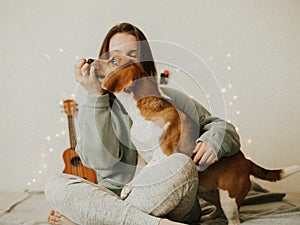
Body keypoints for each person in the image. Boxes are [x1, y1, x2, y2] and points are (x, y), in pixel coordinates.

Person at [45, 22, 240, 225]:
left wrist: (213, 142)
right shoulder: (94, 104)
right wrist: (96, 97)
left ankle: (96, 221)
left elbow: (223, 127)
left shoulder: (169, 98)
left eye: (132, 54)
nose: (122, 62)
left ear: (143, 62)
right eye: (114, 56)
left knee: (181, 164)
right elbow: (98, 162)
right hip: (116, 198)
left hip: (171, 200)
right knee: (55, 184)